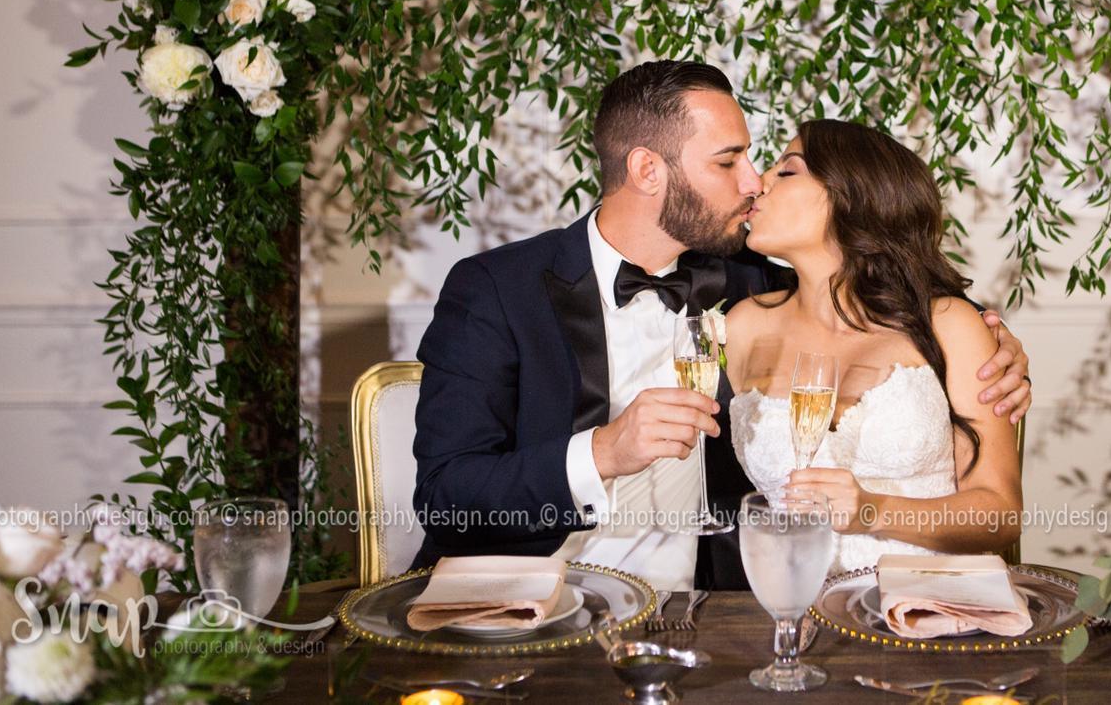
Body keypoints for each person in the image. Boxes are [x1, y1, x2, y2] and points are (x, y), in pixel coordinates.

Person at [410, 61, 1031, 590]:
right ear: (648, 170)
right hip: (536, 598)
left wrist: (995, 344)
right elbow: (445, 499)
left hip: (713, 612)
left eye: (760, 162)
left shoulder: (749, 288)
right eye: (728, 161)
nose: (753, 183)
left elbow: (881, 306)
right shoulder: (497, 289)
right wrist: (603, 452)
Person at [727, 120, 1022, 572]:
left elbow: (999, 513)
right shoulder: (742, 326)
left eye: (787, 171)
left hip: (928, 600)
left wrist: (873, 511)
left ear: (853, 197)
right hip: (790, 600)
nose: (758, 182)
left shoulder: (949, 326)